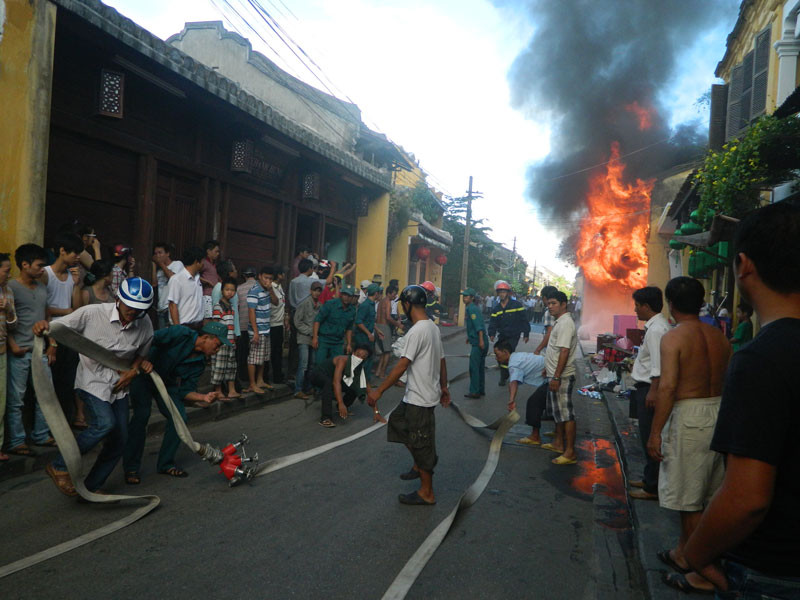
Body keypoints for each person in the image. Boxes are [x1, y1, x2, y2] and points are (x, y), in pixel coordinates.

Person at [681, 202, 800, 597]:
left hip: (774, 572)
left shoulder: (762, 358)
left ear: (744, 266)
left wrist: (694, 555)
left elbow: (747, 498)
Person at [645, 276, 731, 594]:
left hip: (691, 415)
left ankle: (704, 571)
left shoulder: (674, 337)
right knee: (706, 493)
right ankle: (684, 554)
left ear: (670, 303)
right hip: (718, 411)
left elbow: (667, 387)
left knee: (689, 499)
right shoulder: (718, 335)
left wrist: (655, 433)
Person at [39, 278, 154, 496]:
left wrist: (134, 370)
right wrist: (44, 328)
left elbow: (142, 353)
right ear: (118, 299)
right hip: (91, 381)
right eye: (130, 306)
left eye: (139, 309)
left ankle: (90, 487)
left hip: (119, 387)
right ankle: (59, 465)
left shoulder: (145, 322)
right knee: (104, 424)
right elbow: (58, 327)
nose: (132, 312)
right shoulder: (92, 313)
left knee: (120, 439)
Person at [367, 285, 449, 506]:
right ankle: (419, 464)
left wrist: (378, 391)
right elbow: (441, 359)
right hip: (414, 394)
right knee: (397, 422)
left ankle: (426, 491)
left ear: (407, 304)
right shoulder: (431, 327)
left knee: (422, 443)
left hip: (421, 398)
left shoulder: (418, 331)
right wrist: (445, 387)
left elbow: (402, 365)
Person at [123, 321, 228, 483]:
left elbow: (185, 391)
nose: (218, 349)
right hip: (143, 376)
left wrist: (203, 397)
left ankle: (166, 463)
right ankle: (131, 468)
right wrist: (143, 359)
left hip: (166, 384)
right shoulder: (180, 333)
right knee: (141, 416)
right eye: (217, 344)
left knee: (178, 417)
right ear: (206, 337)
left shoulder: (199, 362)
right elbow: (147, 339)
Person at [6, 244, 54, 456]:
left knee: (46, 395)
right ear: (25, 265)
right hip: (19, 352)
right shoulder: (10, 288)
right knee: (16, 399)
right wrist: (12, 345)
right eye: (39, 265)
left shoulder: (42, 287)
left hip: (40, 350)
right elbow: (4, 321)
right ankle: (16, 440)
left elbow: (47, 317)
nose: (42, 269)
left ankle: (41, 435)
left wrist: (52, 345)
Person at [629, 286, 671, 501]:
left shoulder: (656, 329)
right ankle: (648, 479)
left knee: (650, 437)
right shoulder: (655, 326)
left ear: (646, 306)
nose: (635, 310)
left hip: (649, 389)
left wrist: (653, 392)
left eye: (637, 305)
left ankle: (652, 488)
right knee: (645, 436)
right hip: (645, 388)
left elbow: (658, 365)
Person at [43, 233, 85, 427]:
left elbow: (75, 308)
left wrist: (76, 285)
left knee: (68, 381)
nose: (77, 257)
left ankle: (66, 424)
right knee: (51, 382)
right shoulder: (45, 274)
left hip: (68, 333)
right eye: (75, 253)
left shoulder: (71, 276)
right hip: (50, 332)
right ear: (62, 251)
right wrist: (65, 311)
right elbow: (41, 307)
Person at [540, 290, 579, 465]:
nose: (550, 307)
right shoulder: (560, 322)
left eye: (554, 303)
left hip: (562, 376)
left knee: (566, 413)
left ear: (564, 304)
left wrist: (556, 376)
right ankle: (558, 443)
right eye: (548, 304)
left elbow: (564, 351)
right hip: (555, 374)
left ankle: (570, 452)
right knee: (558, 411)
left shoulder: (565, 323)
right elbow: (555, 350)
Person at [309, 344, 378, 428]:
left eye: (363, 357)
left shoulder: (359, 367)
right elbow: (336, 382)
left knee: (356, 387)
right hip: (317, 375)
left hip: (332, 378)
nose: (359, 358)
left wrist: (376, 412)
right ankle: (325, 418)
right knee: (329, 384)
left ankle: (342, 407)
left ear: (365, 359)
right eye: (358, 355)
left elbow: (368, 390)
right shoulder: (343, 360)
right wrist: (341, 403)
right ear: (353, 353)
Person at [493, 340, 546, 443]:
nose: (496, 358)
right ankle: (558, 432)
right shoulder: (516, 356)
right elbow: (512, 381)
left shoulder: (513, 364)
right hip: (551, 373)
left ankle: (535, 437)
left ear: (505, 352)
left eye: (497, 354)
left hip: (553, 375)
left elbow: (514, 382)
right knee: (548, 405)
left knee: (533, 403)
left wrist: (512, 400)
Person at [488, 280, 530, 386]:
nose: (502, 294)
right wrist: (491, 333)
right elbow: (493, 322)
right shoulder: (496, 308)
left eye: (504, 292)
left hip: (513, 335)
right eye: (500, 292)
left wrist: (526, 333)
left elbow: (524, 319)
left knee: (506, 353)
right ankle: (505, 372)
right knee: (498, 353)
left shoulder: (516, 305)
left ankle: (504, 376)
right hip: (502, 335)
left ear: (508, 293)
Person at [0, 253, 18, 462]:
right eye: (6, 270)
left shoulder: (9, 292)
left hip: (2, 351)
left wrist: (9, 311)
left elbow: (13, 325)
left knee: (1, 403)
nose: (9, 274)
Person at [312, 285, 357, 366]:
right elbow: (317, 320)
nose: (346, 297)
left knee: (336, 365)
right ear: (341, 294)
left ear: (352, 297)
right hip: (324, 339)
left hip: (338, 342)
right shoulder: (330, 304)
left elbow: (349, 328)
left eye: (349, 296)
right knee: (319, 364)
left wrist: (349, 344)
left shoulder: (352, 310)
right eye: (345, 295)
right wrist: (315, 337)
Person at [293, 281, 323, 399]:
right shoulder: (304, 303)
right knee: (303, 364)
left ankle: (309, 387)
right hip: (304, 338)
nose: (316, 293)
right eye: (315, 290)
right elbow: (297, 322)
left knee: (312, 364)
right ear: (310, 291)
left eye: (319, 291)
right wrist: (310, 331)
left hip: (314, 338)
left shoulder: (320, 305)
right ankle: (298, 389)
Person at [211, 278, 239, 401]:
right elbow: (215, 325)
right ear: (222, 291)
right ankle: (218, 391)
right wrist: (216, 341)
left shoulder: (231, 307)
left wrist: (233, 340)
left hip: (230, 342)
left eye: (232, 290)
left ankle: (231, 390)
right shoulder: (218, 306)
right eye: (227, 289)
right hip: (221, 342)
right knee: (219, 366)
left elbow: (231, 325)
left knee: (231, 367)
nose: (230, 292)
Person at [246, 267, 273, 394]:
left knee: (262, 357)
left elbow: (277, 302)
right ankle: (252, 384)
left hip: (266, 328)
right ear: (260, 276)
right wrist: (255, 332)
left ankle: (260, 380)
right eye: (266, 277)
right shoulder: (254, 291)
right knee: (253, 358)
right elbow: (251, 312)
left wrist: (271, 289)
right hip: (257, 330)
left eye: (270, 278)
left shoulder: (267, 290)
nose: (268, 280)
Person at [167, 246, 204, 329]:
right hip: (184, 327)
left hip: (198, 326)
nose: (203, 264)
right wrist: (178, 330)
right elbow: (173, 306)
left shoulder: (198, 278)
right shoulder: (177, 279)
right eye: (202, 261)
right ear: (196, 262)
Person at [461, 288, 487, 398]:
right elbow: (474, 326)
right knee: (480, 367)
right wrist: (469, 337)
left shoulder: (471, 309)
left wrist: (480, 340)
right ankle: (480, 389)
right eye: (464, 296)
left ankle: (475, 391)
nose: (464, 298)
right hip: (478, 340)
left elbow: (479, 326)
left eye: (467, 296)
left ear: (472, 298)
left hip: (479, 342)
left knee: (474, 367)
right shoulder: (472, 308)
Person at [354, 283, 383, 380]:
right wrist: (368, 333)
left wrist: (378, 331)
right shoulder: (365, 305)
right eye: (379, 293)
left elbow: (370, 321)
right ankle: (360, 382)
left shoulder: (371, 304)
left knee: (369, 359)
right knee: (362, 360)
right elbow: (358, 322)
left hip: (368, 336)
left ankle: (366, 382)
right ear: (376, 294)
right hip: (362, 337)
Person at [152, 242, 184, 329]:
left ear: (168, 253)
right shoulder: (159, 271)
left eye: (160, 253)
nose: (158, 256)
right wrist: (154, 265)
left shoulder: (177, 264)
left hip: (170, 307)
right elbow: (154, 284)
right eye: (155, 254)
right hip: (161, 307)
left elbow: (173, 278)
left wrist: (161, 264)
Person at [236, 266, 257, 385]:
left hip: (242, 325)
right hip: (256, 327)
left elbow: (237, 307)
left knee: (243, 353)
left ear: (244, 276)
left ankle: (243, 376)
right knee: (254, 354)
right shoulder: (259, 288)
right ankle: (254, 378)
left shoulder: (239, 288)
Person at [267, 266, 287, 385]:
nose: (284, 276)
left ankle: (278, 375)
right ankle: (273, 376)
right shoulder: (271, 288)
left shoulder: (279, 287)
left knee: (278, 352)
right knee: (273, 352)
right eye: (282, 274)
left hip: (280, 323)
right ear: (278, 275)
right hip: (272, 324)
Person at [375, 286, 401, 379]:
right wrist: (398, 324)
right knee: (387, 352)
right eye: (394, 294)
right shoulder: (388, 302)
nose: (395, 296)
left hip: (377, 326)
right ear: (389, 293)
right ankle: (382, 373)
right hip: (384, 327)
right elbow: (388, 317)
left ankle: (378, 371)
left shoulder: (381, 301)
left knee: (382, 352)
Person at [199, 239, 221, 319]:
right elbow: (195, 275)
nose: (218, 254)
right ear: (208, 251)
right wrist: (207, 281)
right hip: (207, 296)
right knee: (207, 319)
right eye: (216, 251)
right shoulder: (204, 263)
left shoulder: (213, 264)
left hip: (214, 296)